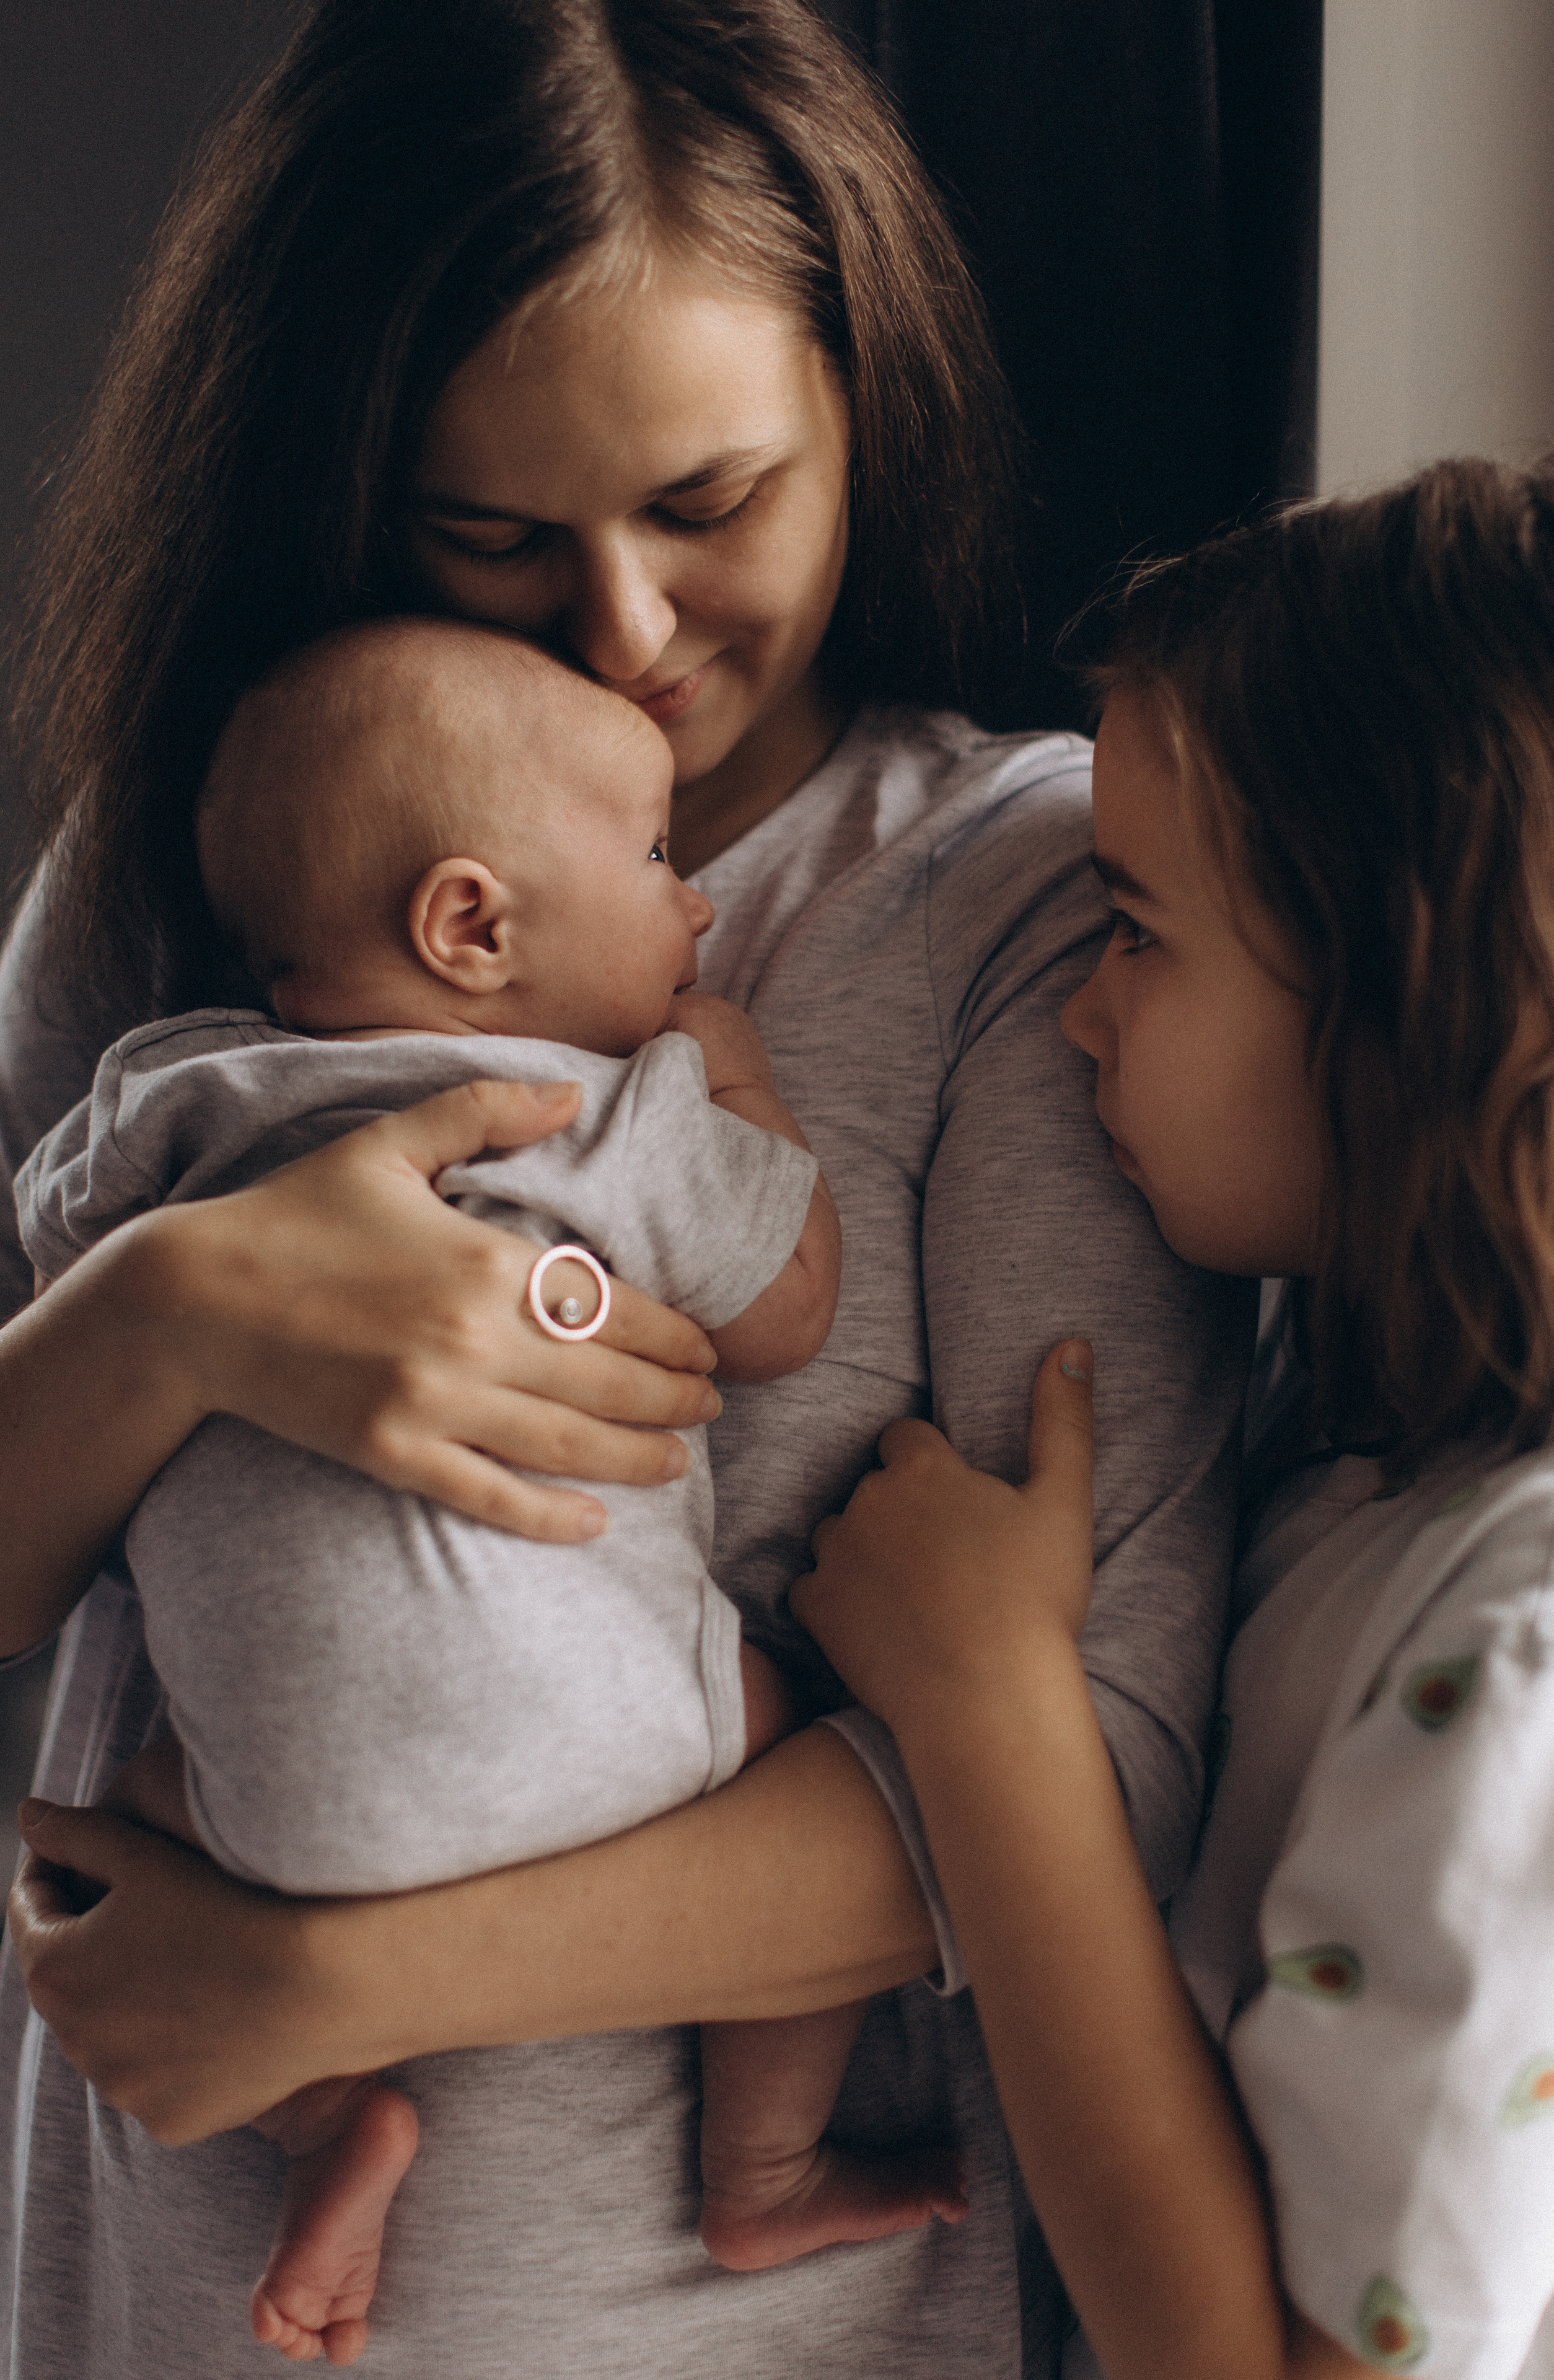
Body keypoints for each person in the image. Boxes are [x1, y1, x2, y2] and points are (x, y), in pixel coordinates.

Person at [0, 3, 1250, 2373]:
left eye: (709, 506)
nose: (626, 635)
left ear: (863, 405)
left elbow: (1097, 1773)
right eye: (490, 537)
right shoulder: (205, 864)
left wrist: (335, 1981)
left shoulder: (1033, 912)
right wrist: (173, 1320)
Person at [19, 612, 963, 2363]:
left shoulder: (164, 1096)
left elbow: (49, 1246)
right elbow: (789, 1311)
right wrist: (734, 1086)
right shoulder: (601, 1111)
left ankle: (329, 2121)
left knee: (106, 1837)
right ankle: (764, 2163)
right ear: (474, 923)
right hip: (601, 1757)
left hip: (259, 1816)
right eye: (661, 857)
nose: (693, 905)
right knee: (788, 1719)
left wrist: (155, 1290)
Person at [792, 453, 1554, 2380]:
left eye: (1139, 931)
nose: (1080, 1009)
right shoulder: (1357, 1423)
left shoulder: (1534, 1638)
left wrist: (990, 1708)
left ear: (1399, 1000)